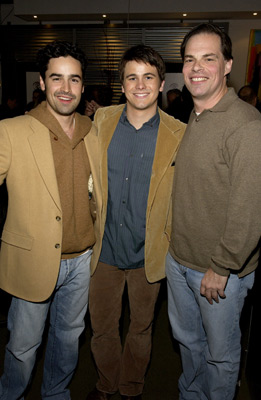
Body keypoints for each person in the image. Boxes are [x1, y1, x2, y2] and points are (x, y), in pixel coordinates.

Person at [166, 23, 261, 400]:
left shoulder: (246, 125)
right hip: (179, 261)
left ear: (227, 65)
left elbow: (250, 208)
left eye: (209, 58)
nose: (197, 67)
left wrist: (221, 266)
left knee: (220, 357)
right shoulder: (197, 113)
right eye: (190, 59)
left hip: (219, 272)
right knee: (188, 343)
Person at [85, 44, 186, 400]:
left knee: (142, 330)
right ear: (122, 84)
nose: (139, 84)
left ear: (161, 84)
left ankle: (131, 389)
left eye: (148, 77)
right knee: (102, 330)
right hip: (105, 250)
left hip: (150, 254)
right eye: (132, 77)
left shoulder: (180, 133)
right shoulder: (102, 121)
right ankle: (106, 384)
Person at [0, 40, 95, 400]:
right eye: (57, 78)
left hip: (83, 261)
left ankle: (56, 394)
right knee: (23, 348)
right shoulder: (12, 131)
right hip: (34, 260)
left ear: (83, 86)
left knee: (68, 341)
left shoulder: (93, 131)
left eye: (74, 80)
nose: (66, 88)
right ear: (42, 83)